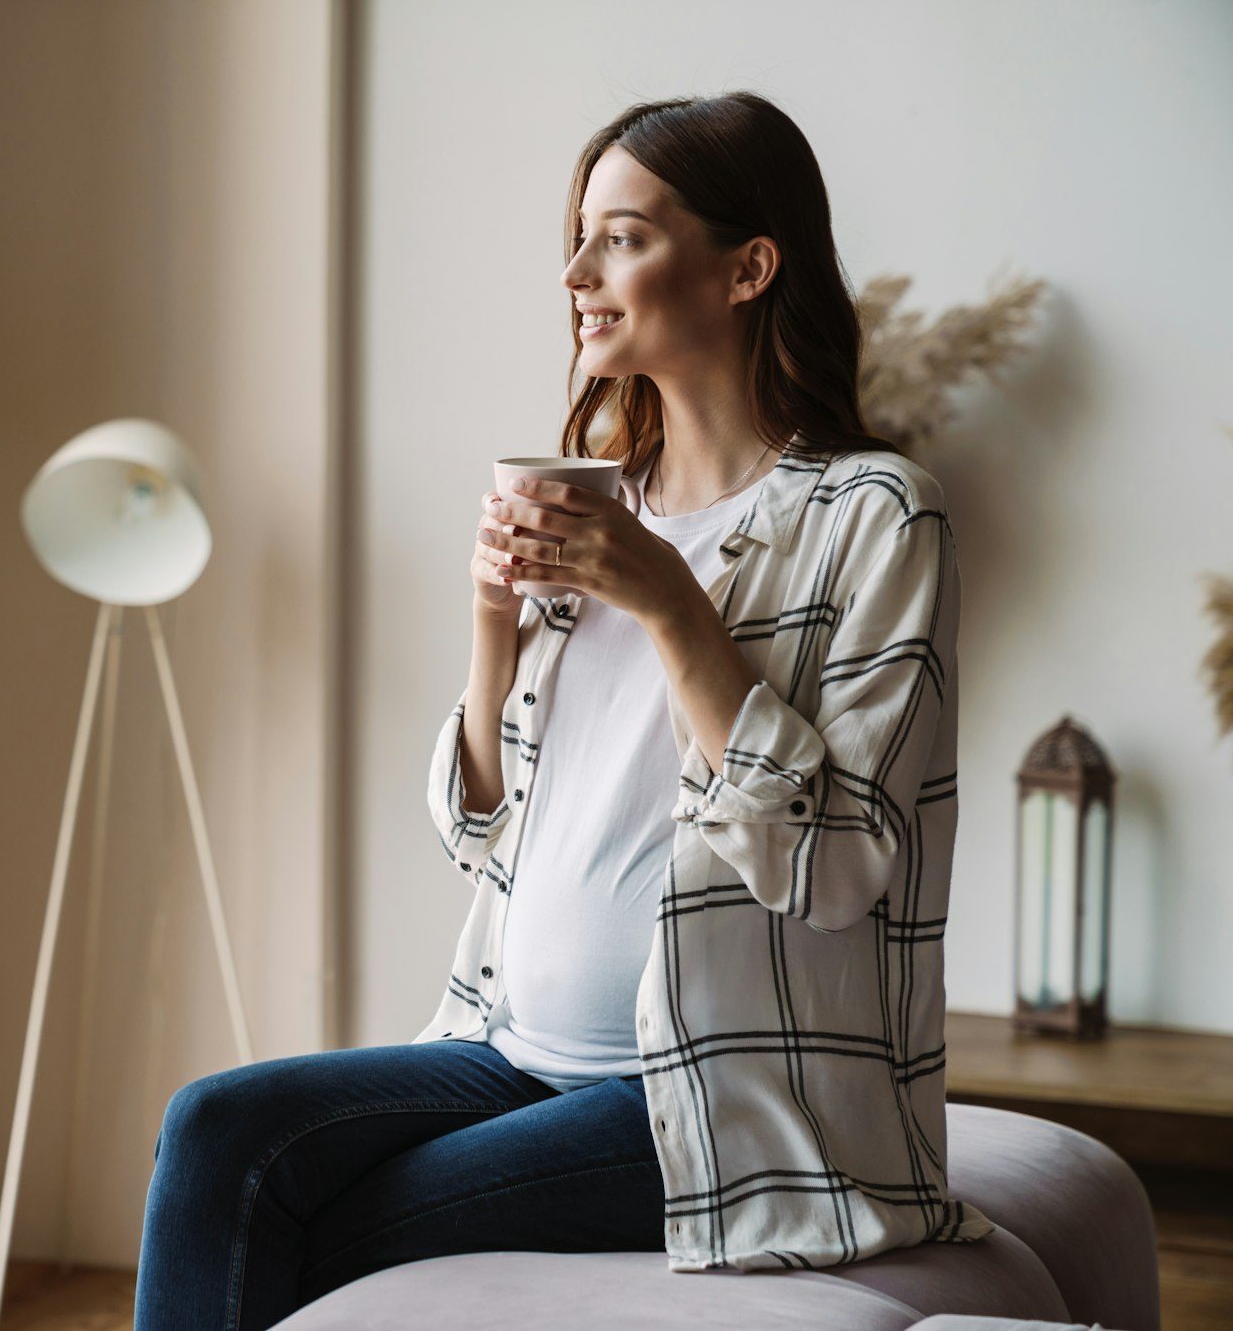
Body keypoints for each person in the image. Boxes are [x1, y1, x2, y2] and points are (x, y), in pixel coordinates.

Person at [134, 89, 992, 1331]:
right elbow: (483, 831)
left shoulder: (872, 515)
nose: (574, 271)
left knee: (308, 1213)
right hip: (507, 1046)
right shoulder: (599, 497)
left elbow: (839, 865)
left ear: (748, 267)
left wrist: (672, 605)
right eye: (579, 233)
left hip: (712, 1088)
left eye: (623, 237)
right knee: (213, 1125)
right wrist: (491, 630)